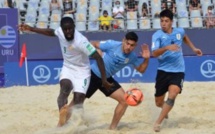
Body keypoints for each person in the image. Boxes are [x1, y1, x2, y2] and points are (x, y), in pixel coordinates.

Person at [18, 17, 112, 127]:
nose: (68, 32)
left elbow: (98, 58)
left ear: (74, 27)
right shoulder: (60, 32)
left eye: (70, 29)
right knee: (65, 88)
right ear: (62, 29)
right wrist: (31, 29)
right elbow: (51, 32)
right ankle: (62, 121)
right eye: (65, 29)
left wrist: (104, 80)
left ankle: (76, 118)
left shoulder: (81, 41)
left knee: (78, 101)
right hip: (68, 67)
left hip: (82, 72)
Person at [85, 32, 150, 129]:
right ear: (123, 40)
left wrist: (146, 59)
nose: (128, 47)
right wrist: (96, 51)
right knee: (77, 103)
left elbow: (141, 70)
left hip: (106, 79)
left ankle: (112, 129)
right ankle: (63, 125)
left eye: (132, 45)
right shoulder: (112, 44)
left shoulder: (132, 57)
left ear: (135, 46)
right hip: (93, 75)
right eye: (127, 43)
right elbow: (93, 43)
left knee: (124, 101)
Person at [151, 9, 203, 132]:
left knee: (173, 93)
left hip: (178, 70)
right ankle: (164, 109)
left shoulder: (179, 31)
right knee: (158, 102)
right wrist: (167, 47)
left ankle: (158, 122)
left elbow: (184, 37)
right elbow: (154, 53)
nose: (163, 23)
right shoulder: (157, 35)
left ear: (171, 22)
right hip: (163, 71)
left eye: (166, 21)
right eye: (162, 21)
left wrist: (194, 48)